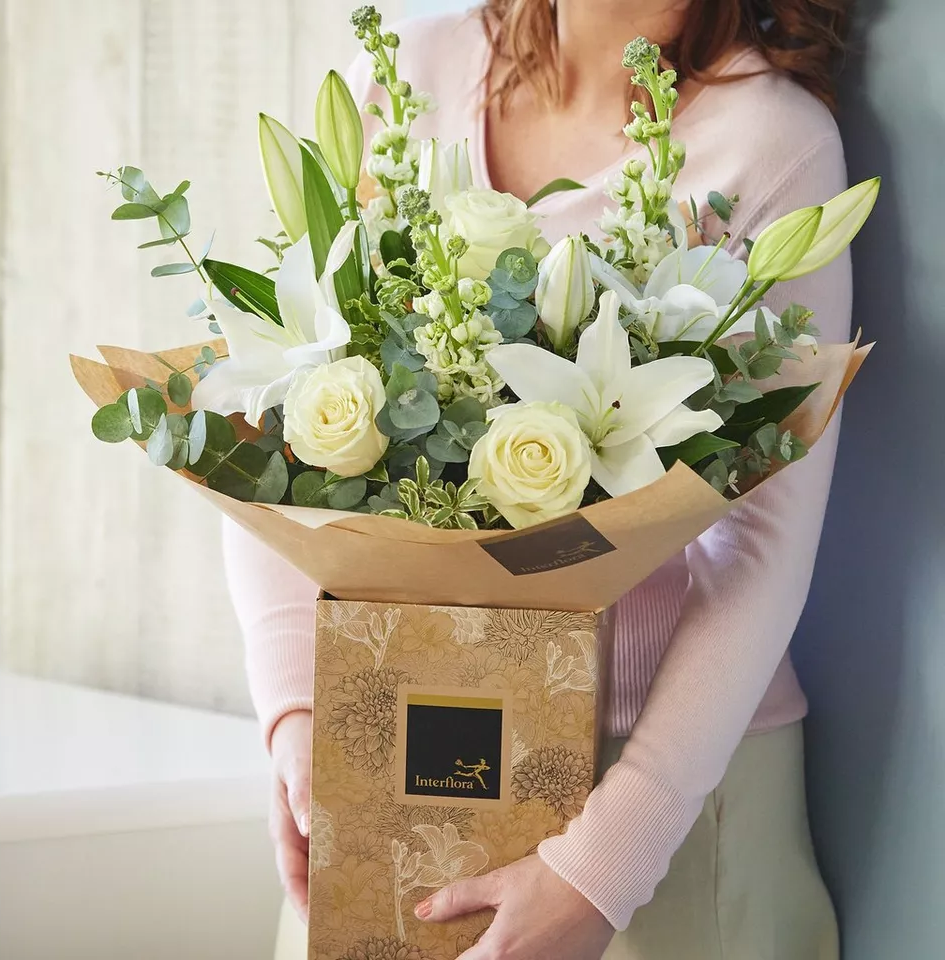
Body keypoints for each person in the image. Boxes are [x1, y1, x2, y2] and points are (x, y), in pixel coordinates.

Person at [225, 1, 853, 957]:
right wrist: (301, 718)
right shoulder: (406, 74)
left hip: (664, 791)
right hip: (385, 750)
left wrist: (605, 866)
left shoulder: (772, 143)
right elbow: (275, 415)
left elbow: (763, 541)